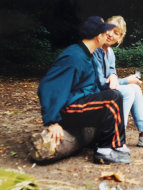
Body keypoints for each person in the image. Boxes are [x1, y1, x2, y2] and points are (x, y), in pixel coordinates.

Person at [38, 16, 131, 164]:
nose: (108, 36)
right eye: (105, 33)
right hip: (68, 109)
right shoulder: (73, 57)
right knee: (112, 98)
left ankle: (116, 145)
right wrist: (52, 122)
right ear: (98, 36)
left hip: (81, 102)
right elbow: (48, 87)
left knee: (115, 95)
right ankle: (103, 151)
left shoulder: (88, 54)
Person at [93, 16, 143, 150]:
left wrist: (117, 76)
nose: (110, 34)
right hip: (92, 94)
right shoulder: (95, 50)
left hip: (103, 92)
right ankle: (115, 135)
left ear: (120, 38)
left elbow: (112, 76)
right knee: (128, 90)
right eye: (109, 29)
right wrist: (126, 80)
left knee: (135, 88)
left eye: (116, 33)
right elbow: (100, 83)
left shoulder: (109, 52)